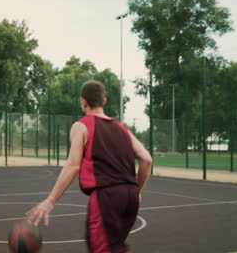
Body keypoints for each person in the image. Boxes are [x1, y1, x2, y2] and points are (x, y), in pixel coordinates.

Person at [27, 80, 152, 253]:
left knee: (102, 249)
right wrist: (137, 190)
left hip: (107, 197)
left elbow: (72, 166)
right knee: (116, 246)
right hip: (130, 197)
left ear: (83, 102)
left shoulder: (82, 126)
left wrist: (51, 200)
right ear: (104, 101)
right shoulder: (123, 129)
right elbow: (147, 160)